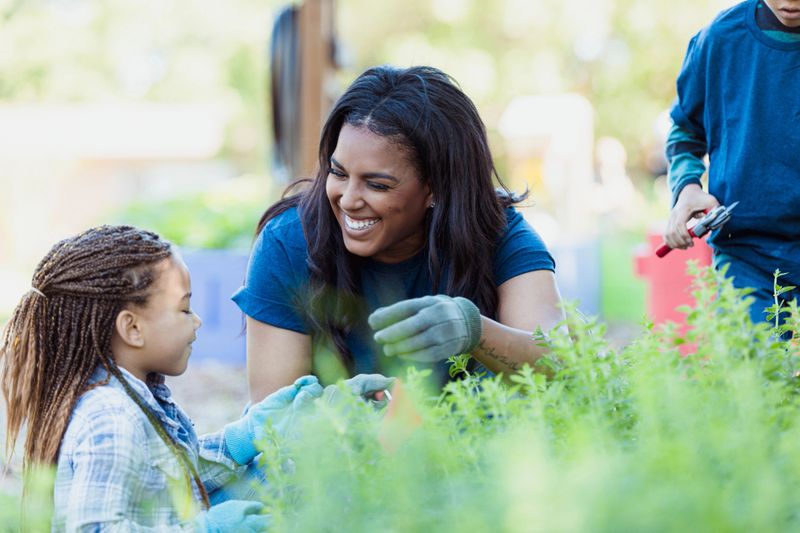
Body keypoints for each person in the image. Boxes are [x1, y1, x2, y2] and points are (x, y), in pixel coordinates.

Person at [0, 225, 391, 531]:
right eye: (184, 309)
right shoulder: (110, 418)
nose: (197, 321)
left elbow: (171, 475)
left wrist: (251, 431)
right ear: (132, 329)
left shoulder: (131, 397)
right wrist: (208, 529)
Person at [234, 65, 565, 401]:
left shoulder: (498, 234)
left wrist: (475, 332)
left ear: (437, 188)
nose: (347, 200)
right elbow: (271, 421)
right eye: (338, 172)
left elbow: (562, 366)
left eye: (377, 184)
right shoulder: (289, 242)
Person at [664, 0, 800, 327]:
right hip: (745, 253)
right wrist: (687, 189)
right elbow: (685, 130)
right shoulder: (720, 39)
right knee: (752, 372)